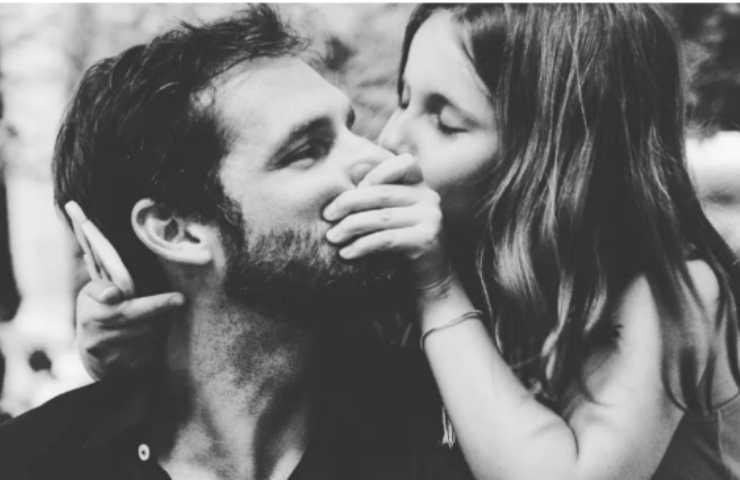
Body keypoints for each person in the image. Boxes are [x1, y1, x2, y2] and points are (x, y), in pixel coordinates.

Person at [76, 4, 740, 480]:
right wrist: (142, 341)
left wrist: (438, 288)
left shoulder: (672, 291)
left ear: (556, 158)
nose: (390, 140)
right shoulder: (455, 263)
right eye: (402, 98)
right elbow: (272, 334)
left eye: (443, 121)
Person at [0, 6, 475, 479]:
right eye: (308, 150)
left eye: (350, 129)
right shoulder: (34, 462)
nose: (380, 157)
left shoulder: (451, 425)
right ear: (174, 231)